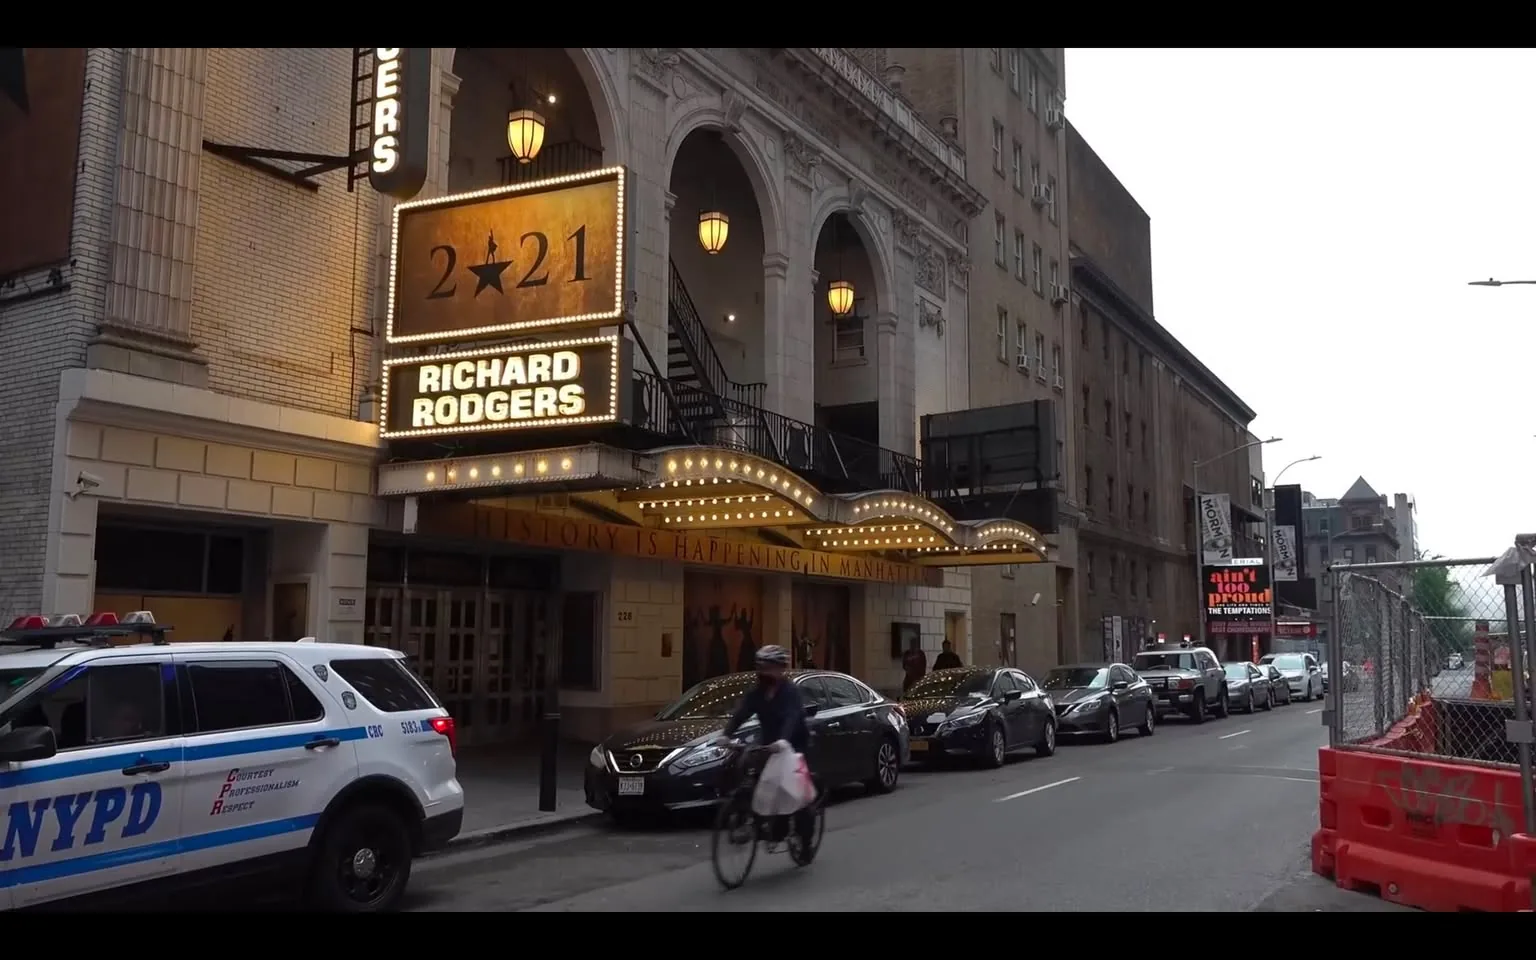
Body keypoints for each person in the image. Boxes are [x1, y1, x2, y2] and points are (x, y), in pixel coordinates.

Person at [718, 645, 815, 848]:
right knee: (749, 769)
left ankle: (804, 837)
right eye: (761, 667)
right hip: (769, 743)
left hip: (794, 744)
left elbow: (792, 717)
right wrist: (726, 734)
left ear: (780, 669)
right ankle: (754, 821)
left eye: (769, 667)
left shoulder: (790, 692)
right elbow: (742, 712)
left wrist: (783, 741)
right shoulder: (757, 693)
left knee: (794, 791)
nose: (764, 672)